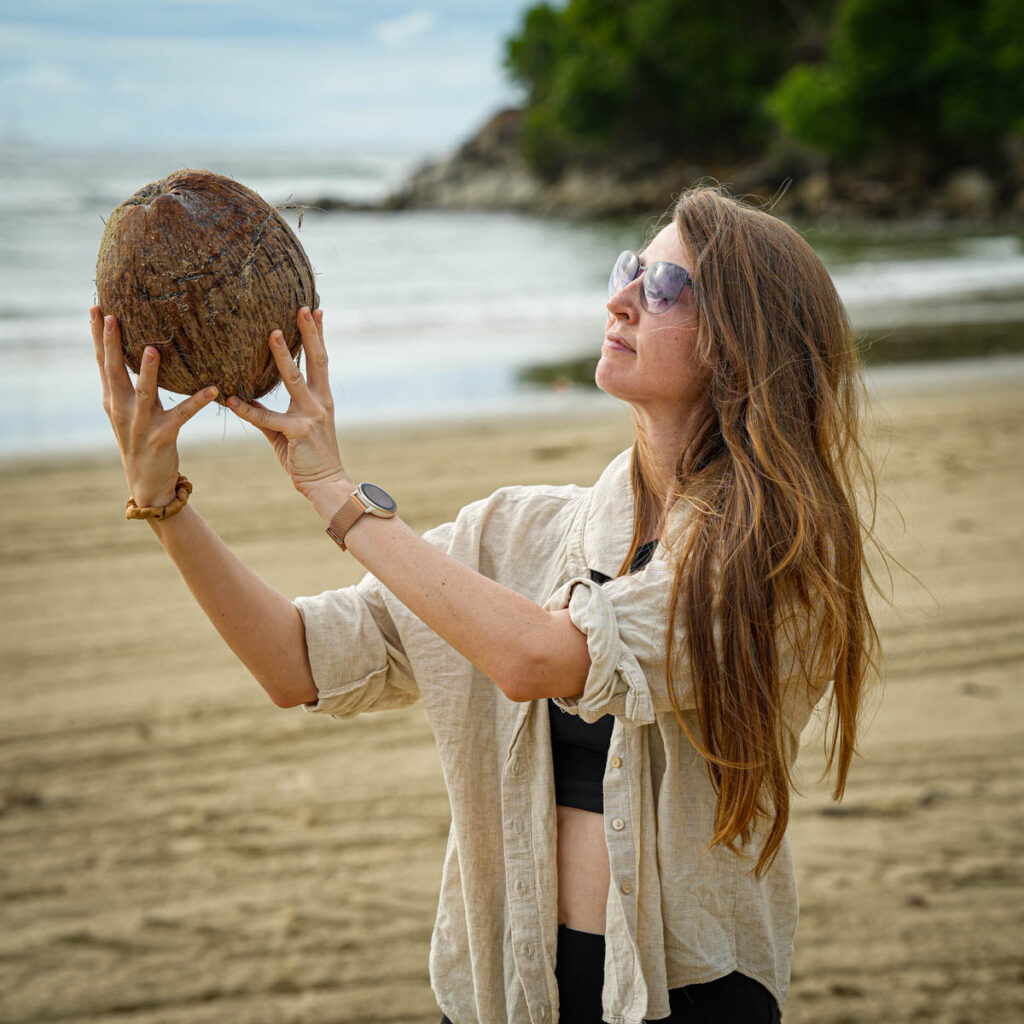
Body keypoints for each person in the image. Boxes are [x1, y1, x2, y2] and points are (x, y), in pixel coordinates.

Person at [90, 184, 880, 1024]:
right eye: (629, 269)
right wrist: (164, 502)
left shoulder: (786, 560)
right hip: (507, 991)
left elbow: (543, 659)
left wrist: (335, 490)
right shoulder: (509, 532)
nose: (618, 299)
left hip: (690, 996)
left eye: (663, 288)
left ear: (743, 341)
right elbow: (296, 662)